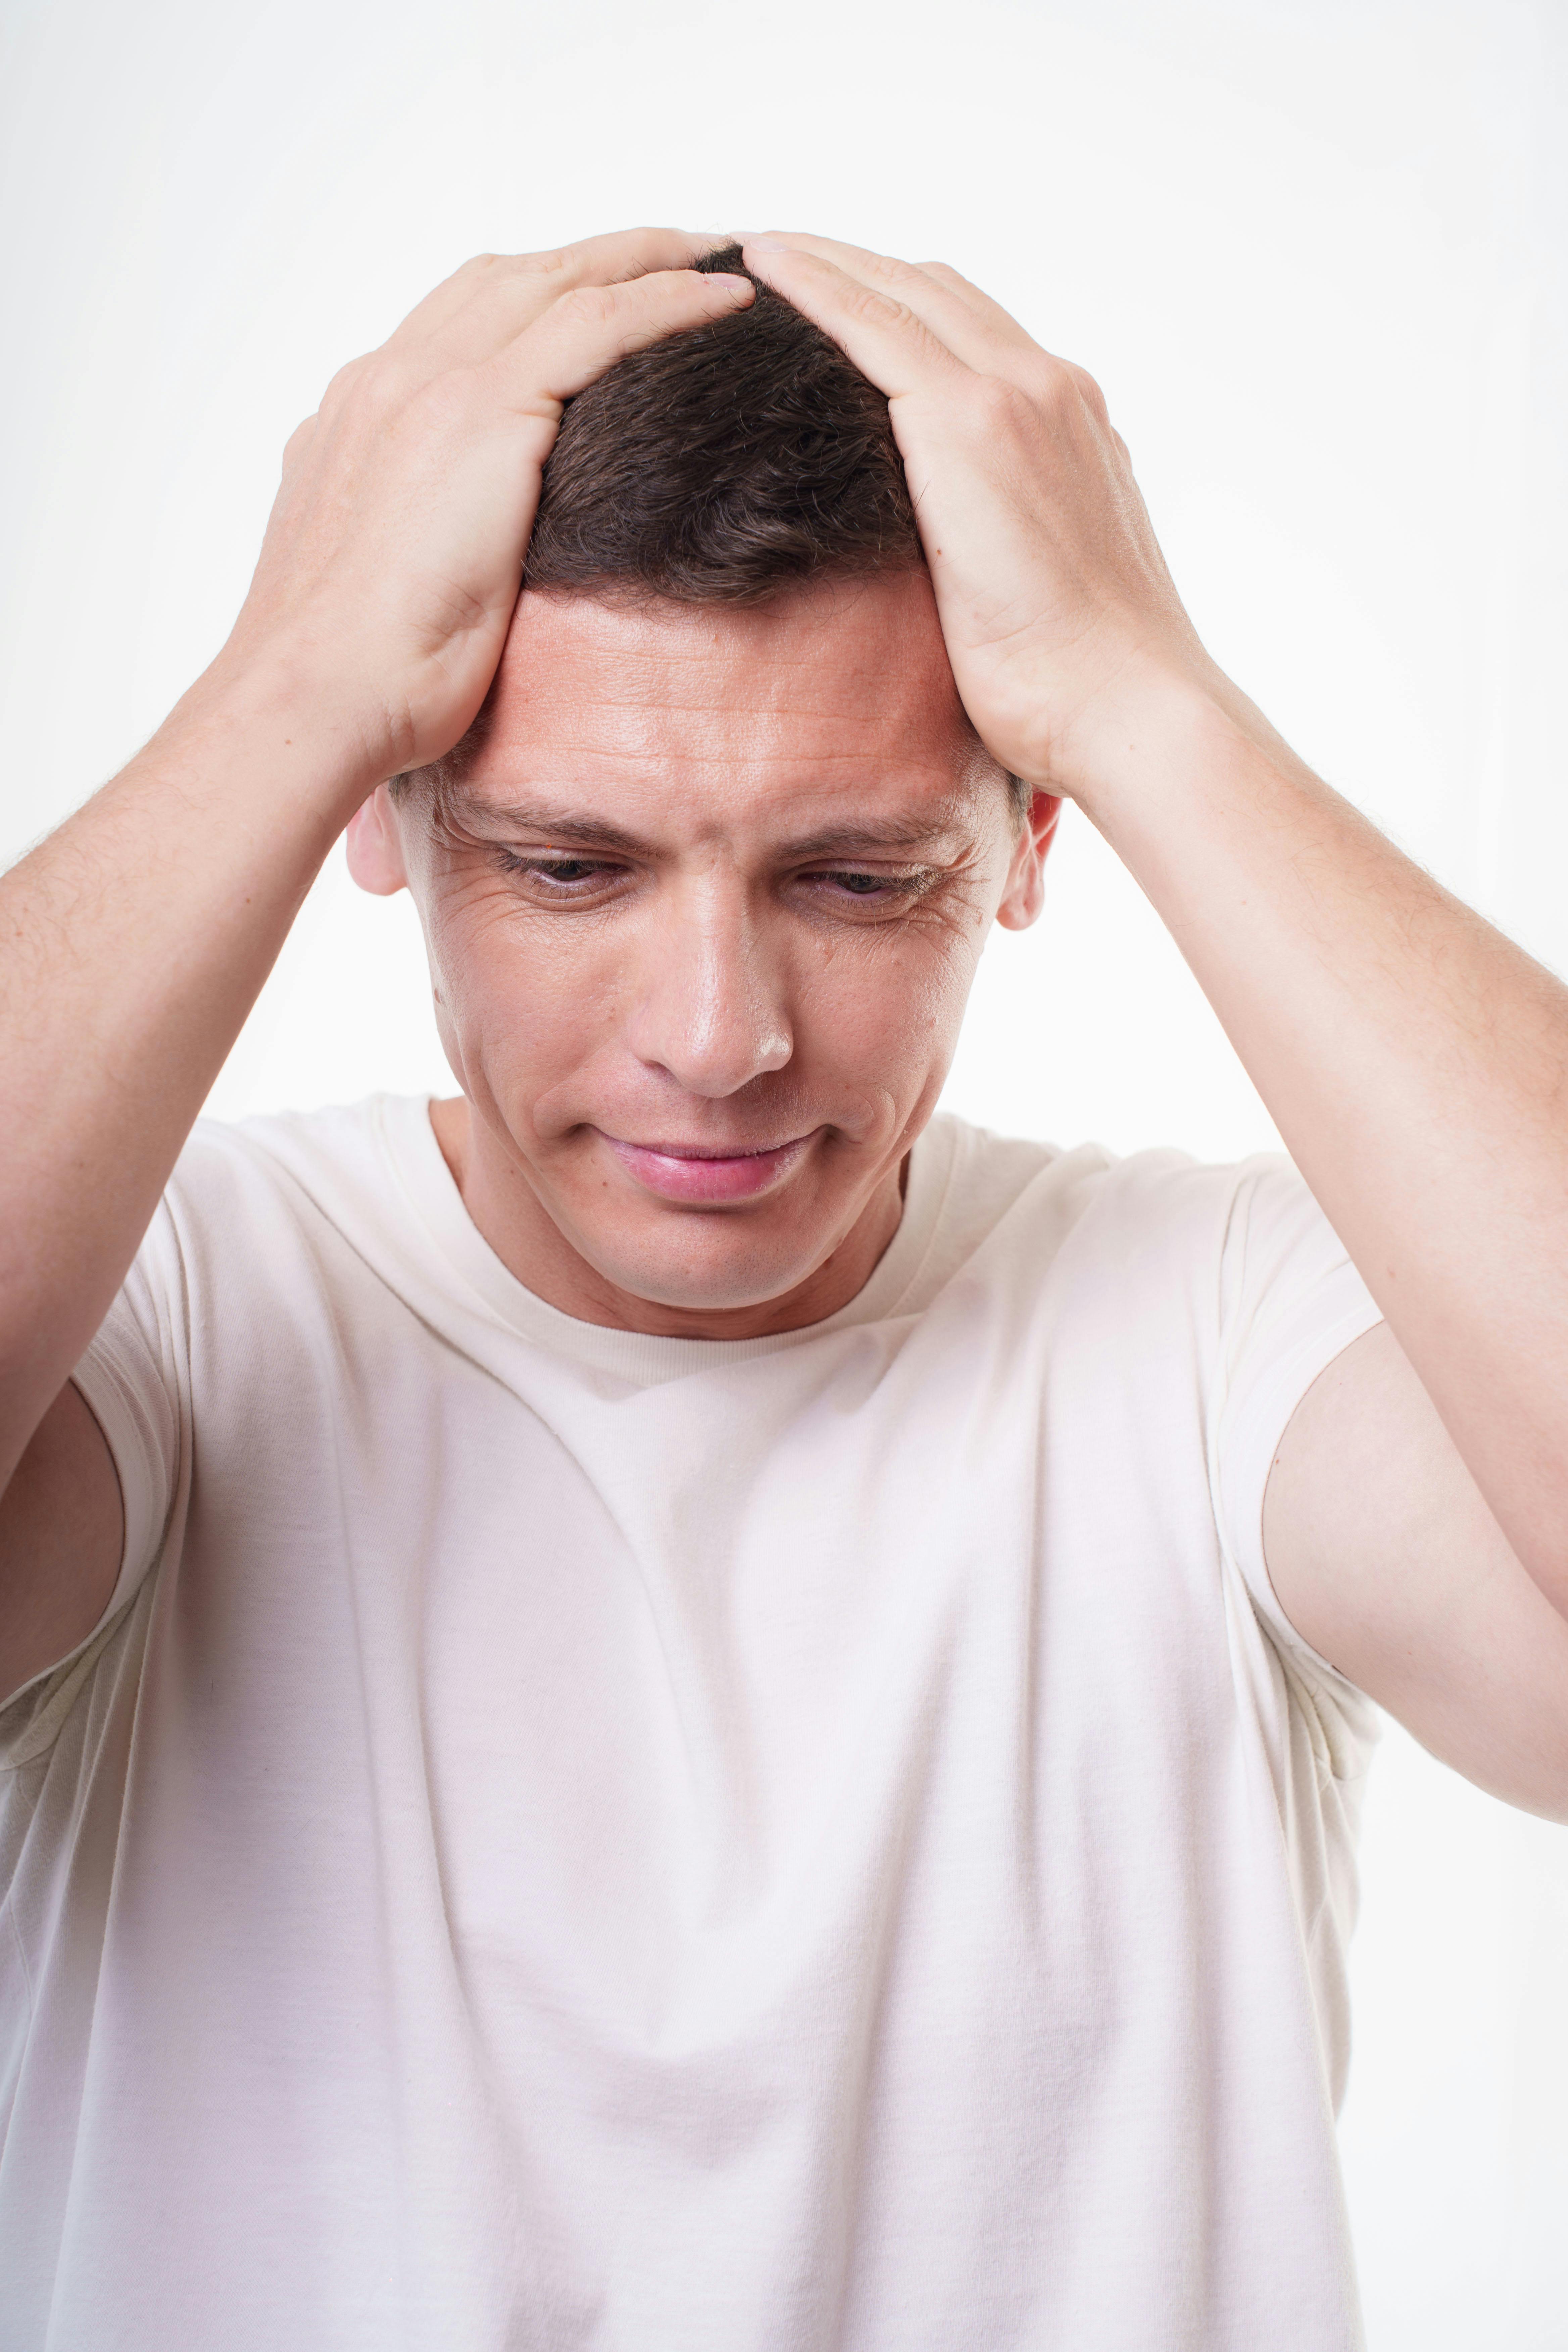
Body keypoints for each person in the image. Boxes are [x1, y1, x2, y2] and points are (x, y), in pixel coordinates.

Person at [1, 227, 1565, 2352]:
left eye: (855, 876)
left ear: (1027, 848)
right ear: (384, 815)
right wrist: (288, 682)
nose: (719, 1034)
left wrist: (1147, 700)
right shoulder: (175, 1318)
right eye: (573, 868)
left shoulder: (1217, 1336)